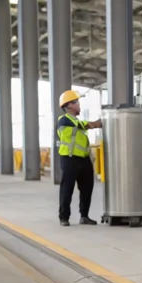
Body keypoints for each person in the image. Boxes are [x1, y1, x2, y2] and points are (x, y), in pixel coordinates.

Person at [56, 90, 102, 227]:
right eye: (76, 102)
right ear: (68, 105)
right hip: (69, 159)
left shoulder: (76, 121)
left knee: (87, 188)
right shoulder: (64, 120)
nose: (78, 105)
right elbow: (84, 125)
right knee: (67, 188)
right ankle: (64, 217)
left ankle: (84, 216)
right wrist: (96, 123)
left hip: (83, 159)